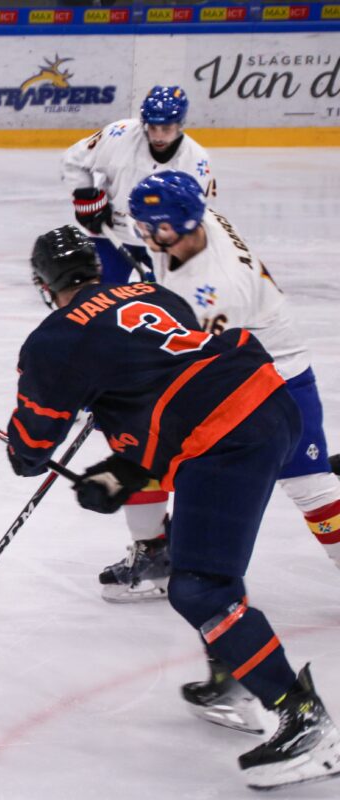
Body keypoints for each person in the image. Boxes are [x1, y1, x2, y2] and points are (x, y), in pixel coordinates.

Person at [9, 225, 340, 790]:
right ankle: (233, 678)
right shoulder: (150, 293)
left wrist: (26, 446)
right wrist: (122, 472)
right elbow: (166, 395)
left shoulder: (54, 339)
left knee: (200, 586)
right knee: (199, 553)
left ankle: (302, 719)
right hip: (267, 402)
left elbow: (30, 450)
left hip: (228, 437)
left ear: (44, 285)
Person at [87, 171, 340, 600]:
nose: (145, 235)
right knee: (137, 448)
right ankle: (154, 556)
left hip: (273, 373)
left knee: (308, 485)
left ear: (182, 225)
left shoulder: (215, 291)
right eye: (145, 227)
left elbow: (182, 364)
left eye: (155, 228)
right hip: (234, 359)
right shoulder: (196, 222)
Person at [61, 86, 215, 285]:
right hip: (110, 231)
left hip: (163, 241)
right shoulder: (119, 135)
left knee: (174, 299)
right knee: (98, 301)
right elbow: (73, 160)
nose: (158, 136)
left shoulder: (196, 161)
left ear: (180, 125)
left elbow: (200, 217)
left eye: (166, 128)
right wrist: (85, 197)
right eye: (153, 127)